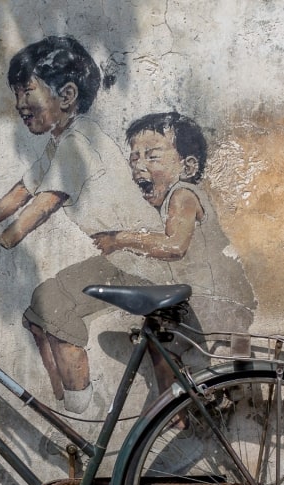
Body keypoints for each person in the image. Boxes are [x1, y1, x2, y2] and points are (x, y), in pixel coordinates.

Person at [0, 36, 152, 414]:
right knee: (39, 314)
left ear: (66, 95)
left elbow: (46, 202)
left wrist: (4, 238)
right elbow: (22, 191)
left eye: (27, 91)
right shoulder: (60, 141)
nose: (20, 104)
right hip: (120, 258)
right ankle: (65, 406)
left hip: (139, 257)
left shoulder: (81, 141)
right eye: (17, 93)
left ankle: (85, 414)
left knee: (53, 305)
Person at [93, 112, 256, 390]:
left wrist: (119, 239)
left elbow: (174, 246)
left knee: (158, 336)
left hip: (219, 303)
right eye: (134, 157)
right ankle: (178, 410)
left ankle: (174, 413)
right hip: (212, 301)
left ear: (188, 167)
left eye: (152, 156)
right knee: (160, 340)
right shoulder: (169, 200)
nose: (139, 166)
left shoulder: (183, 193)